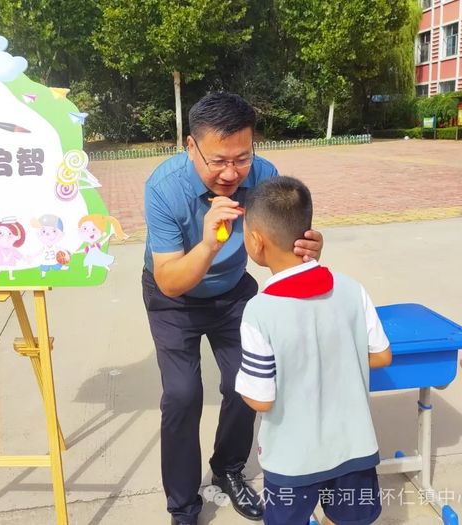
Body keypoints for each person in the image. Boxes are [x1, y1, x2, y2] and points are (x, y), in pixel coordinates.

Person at [142, 92, 323, 525]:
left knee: (250, 380)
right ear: (191, 146)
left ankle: (227, 466)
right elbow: (170, 280)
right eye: (218, 161)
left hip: (233, 291)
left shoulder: (264, 177)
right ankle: (183, 505)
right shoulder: (163, 189)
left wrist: (307, 252)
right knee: (182, 395)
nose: (230, 173)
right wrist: (208, 243)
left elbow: (276, 251)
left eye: (241, 158)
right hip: (174, 299)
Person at [235, 176, 392, 525]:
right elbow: (381, 355)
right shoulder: (352, 288)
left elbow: (261, 399)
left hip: (293, 459)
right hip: (354, 448)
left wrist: (242, 379)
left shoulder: (259, 311)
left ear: (256, 241)